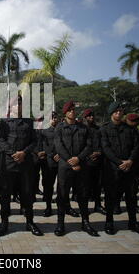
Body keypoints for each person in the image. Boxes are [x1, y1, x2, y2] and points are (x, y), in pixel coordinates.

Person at [0, 95, 42, 237]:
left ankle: (30, 222)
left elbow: (34, 141)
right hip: (8, 164)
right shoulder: (4, 122)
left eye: (20, 103)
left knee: (27, 194)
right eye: (15, 104)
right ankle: (4, 223)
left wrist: (24, 152)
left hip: (25, 163)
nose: (18, 106)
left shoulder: (29, 122)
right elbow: (0, 140)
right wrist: (13, 153)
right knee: (5, 194)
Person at [53, 101, 98, 237]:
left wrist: (78, 159)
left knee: (83, 196)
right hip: (65, 167)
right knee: (62, 196)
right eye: (70, 110)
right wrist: (71, 161)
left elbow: (89, 145)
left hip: (81, 166)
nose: (72, 112)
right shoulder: (59, 128)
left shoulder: (84, 128)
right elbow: (59, 146)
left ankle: (85, 222)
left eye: (73, 110)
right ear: (65, 113)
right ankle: (60, 224)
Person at [100, 102, 139, 235]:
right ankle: (109, 222)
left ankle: (132, 222)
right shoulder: (104, 129)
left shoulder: (130, 129)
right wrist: (119, 162)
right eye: (116, 112)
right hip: (112, 169)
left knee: (131, 196)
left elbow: (136, 146)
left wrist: (130, 161)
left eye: (120, 111)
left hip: (129, 168)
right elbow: (105, 148)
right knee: (110, 197)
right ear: (111, 113)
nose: (118, 114)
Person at [83, 108, 106, 215]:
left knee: (98, 185)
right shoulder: (82, 129)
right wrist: (88, 155)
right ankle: (85, 207)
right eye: (89, 116)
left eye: (92, 116)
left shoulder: (99, 129)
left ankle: (98, 205)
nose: (91, 118)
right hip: (86, 162)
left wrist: (99, 152)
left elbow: (103, 144)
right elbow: (80, 145)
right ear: (85, 117)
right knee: (86, 186)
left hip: (98, 161)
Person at [125, 113, 139, 215]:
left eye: (137, 121)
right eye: (133, 121)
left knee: (133, 188)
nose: (136, 123)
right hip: (124, 163)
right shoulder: (124, 131)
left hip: (136, 164)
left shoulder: (137, 131)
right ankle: (116, 206)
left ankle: (133, 206)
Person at [37, 111, 60, 217]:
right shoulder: (43, 131)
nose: (55, 119)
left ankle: (64, 206)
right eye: (52, 118)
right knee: (48, 186)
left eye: (56, 117)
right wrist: (51, 154)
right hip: (48, 162)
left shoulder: (61, 129)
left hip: (61, 161)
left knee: (62, 185)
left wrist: (60, 154)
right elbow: (42, 145)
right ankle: (48, 207)